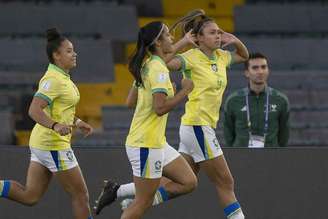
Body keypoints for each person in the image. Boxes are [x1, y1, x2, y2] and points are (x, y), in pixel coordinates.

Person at [101, 9, 249, 219]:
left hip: (189, 129)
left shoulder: (221, 57)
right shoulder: (189, 58)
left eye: (219, 32)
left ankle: (121, 192)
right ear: (198, 38)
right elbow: (163, 64)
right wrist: (183, 46)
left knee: (185, 182)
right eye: (212, 32)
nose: (218, 35)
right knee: (226, 182)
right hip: (196, 126)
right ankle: (135, 205)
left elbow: (244, 56)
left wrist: (234, 39)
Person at [94, 21, 197, 219]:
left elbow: (129, 102)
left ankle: (118, 191)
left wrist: (183, 42)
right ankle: (122, 195)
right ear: (158, 42)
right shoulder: (158, 70)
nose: (171, 38)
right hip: (145, 144)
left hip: (155, 142)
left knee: (188, 181)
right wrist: (185, 91)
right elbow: (159, 109)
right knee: (142, 202)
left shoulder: (147, 64)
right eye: (168, 35)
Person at [0, 28, 94, 219]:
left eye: (73, 49)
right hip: (53, 145)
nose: (74, 54)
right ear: (56, 55)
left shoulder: (62, 77)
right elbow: (34, 109)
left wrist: (77, 121)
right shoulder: (53, 80)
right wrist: (55, 126)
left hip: (43, 144)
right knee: (80, 195)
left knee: (30, 196)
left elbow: (59, 109)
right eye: (69, 51)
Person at [223, 52, 290, 148]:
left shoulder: (280, 100)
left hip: (271, 156)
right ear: (246, 72)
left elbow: (284, 136)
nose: (260, 71)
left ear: (268, 70)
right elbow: (228, 135)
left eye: (263, 67)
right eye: (255, 68)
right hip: (242, 156)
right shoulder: (233, 100)